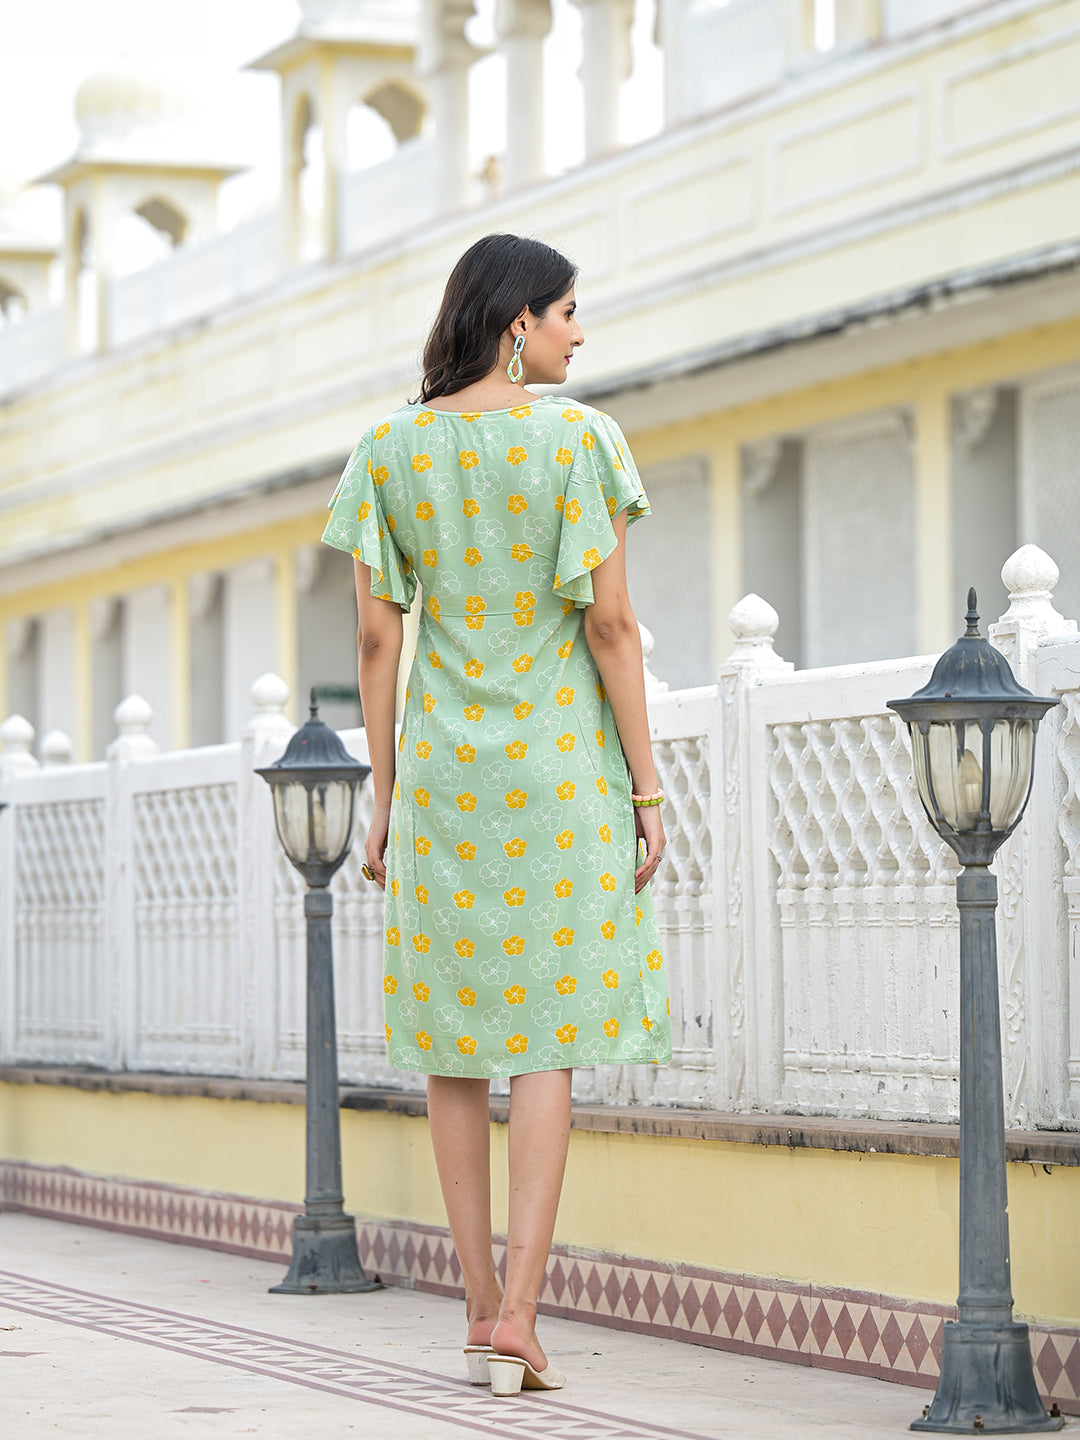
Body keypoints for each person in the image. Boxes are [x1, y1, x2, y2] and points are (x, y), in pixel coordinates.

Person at [322, 233, 671, 1397]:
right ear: (518, 322)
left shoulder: (388, 450)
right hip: (562, 781)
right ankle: (523, 1312)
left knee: (453, 1045)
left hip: (445, 783)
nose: (582, 331)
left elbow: (379, 641)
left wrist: (383, 795)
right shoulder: (580, 441)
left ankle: (477, 1309)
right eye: (571, 310)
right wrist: (648, 786)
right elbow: (611, 628)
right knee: (547, 1045)